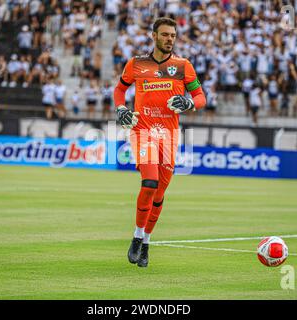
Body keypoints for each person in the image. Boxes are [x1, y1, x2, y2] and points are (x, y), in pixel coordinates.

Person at [113, 18, 206, 268]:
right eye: (165, 35)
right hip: (143, 130)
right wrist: (121, 109)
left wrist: (189, 104)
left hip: (169, 135)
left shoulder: (183, 66)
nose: (170, 39)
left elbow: (200, 96)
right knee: (150, 182)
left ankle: (146, 242)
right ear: (154, 36)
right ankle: (135, 236)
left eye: (173, 35)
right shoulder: (136, 64)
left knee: (160, 192)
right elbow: (119, 91)